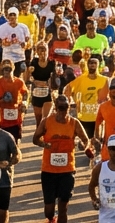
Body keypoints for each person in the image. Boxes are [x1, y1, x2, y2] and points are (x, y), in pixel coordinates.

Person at [33, 93, 91, 223]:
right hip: (49, 170)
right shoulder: (46, 122)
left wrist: (84, 146)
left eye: (65, 107)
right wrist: (44, 144)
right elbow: (35, 138)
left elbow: (86, 140)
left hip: (67, 170)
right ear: (55, 107)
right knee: (49, 210)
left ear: (68, 108)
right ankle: (51, 219)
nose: (62, 111)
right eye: (60, 107)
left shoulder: (74, 123)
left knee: (63, 208)